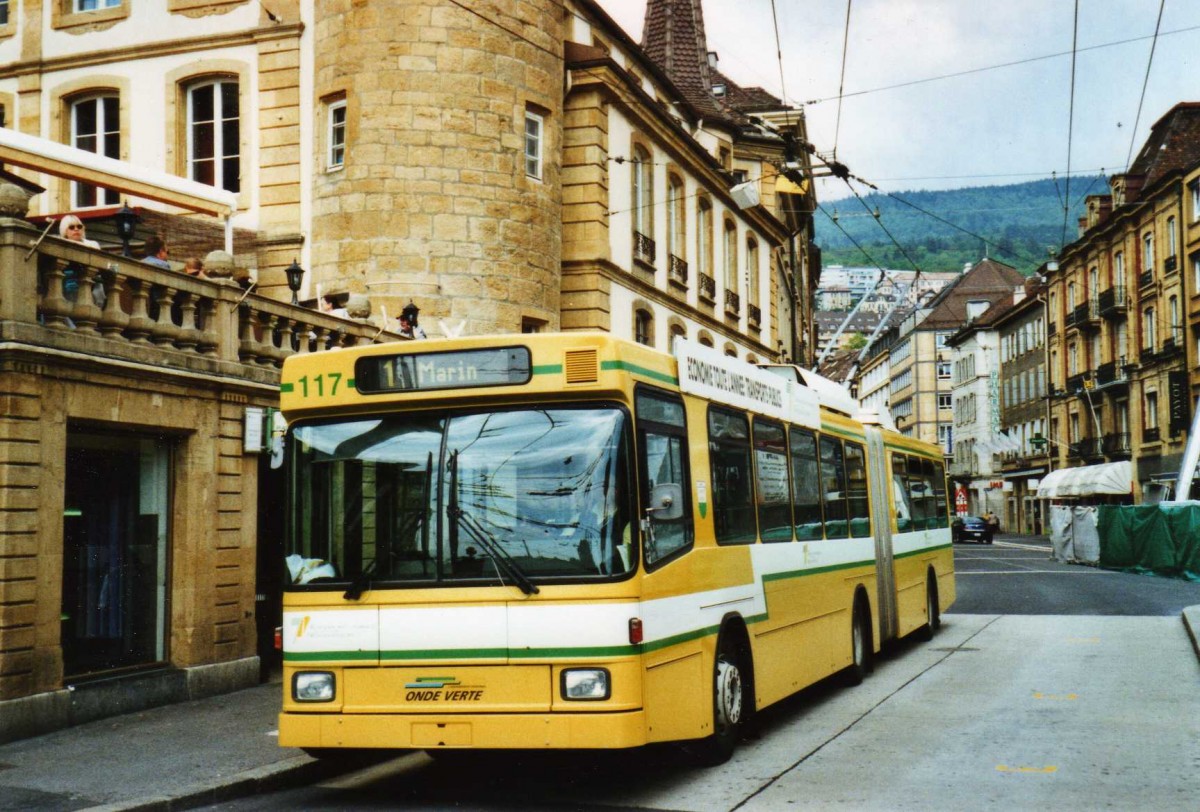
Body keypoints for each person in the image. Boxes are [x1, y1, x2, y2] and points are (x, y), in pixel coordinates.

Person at [58, 215, 105, 310]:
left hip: (89, 284)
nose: (76, 229)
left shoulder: (92, 244)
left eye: (79, 226)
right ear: (65, 231)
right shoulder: (60, 244)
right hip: (68, 285)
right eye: (71, 227)